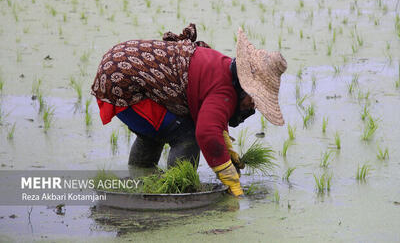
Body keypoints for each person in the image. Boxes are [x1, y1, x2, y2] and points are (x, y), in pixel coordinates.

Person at [91, 24, 287, 196]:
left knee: (157, 132)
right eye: (254, 101)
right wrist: (230, 179)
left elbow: (212, 114)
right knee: (187, 135)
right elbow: (207, 133)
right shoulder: (225, 91)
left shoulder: (223, 66)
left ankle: (141, 173)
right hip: (123, 83)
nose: (252, 107)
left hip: (119, 67)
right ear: (246, 87)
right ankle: (178, 188)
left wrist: (227, 148)